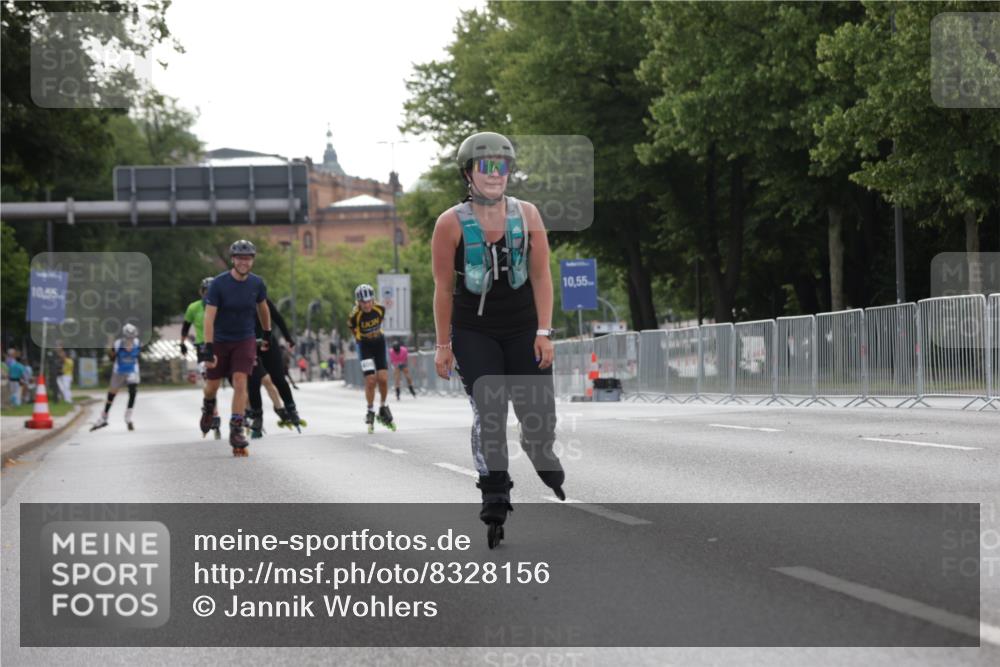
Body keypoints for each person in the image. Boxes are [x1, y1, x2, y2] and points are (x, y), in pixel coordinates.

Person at [430, 131, 565, 548]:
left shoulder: (528, 215)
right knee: (490, 408)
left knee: (538, 412)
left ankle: (538, 446)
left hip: (524, 325)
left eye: (501, 166)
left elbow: (542, 276)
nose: (494, 175)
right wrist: (443, 344)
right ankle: (494, 493)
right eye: (484, 166)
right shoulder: (450, 223)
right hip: (474, 329)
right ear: (468, 173)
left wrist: (544, 332)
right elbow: (442, 288)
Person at [199, 239, 271, 456]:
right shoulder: (218, 285)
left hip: (245, 339)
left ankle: (236, 428)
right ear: (232, 260)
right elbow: (209, 318)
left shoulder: (257, 284)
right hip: (220, 340)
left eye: (247, 258)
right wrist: (208, 348)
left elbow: (263, 308)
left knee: (241, 381)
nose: (243, 262)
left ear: (252, 261)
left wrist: (266, 333)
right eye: (240, 258)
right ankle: (208, 406)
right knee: (212, 385)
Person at [245, 297, 304, 438]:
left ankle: (291, 408)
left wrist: (288, 338)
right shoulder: (237, 301)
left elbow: (278, 318)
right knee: (253, 382)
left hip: (268, 344)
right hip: (249, 346)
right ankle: (257, 416)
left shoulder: (261, 299)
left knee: (278, 378)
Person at [348, 283, 394, 433]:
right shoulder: (355, 315)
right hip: (365, 346)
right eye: (363, 302)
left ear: (373, 300)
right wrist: (360, 339)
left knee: (383, 378)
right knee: (370, 380)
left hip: (379, 343)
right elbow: (352, 328)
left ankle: (383, 405)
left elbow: (379, 322)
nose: (367, 305)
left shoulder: (380, 309)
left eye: (369, 301)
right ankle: (370, 409)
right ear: (358, 302)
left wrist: (374, 335)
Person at [181, 277, 221, 439]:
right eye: (206, 292)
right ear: (201, 292)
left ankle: (244, 413)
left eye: (211, 292)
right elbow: (185, 327)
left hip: (221, 345)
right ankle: (214, 413)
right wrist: (182, 343)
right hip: (202, 347)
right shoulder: (194, 307)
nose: (208, 295)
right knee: (210, 381)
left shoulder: (221, 306)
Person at [91, 323, 141, 431]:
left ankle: (128, 416)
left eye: (132, 337)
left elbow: (137, 356)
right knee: (111, 395)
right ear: (125, 336)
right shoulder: (118, 344)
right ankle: (104, 417)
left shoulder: (137, 343)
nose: (131, 339)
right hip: (119, 371)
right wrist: (112, 353)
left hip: (132, 370)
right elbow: (111, 358)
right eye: (129, 337)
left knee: (133, 392)